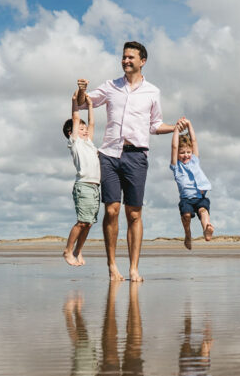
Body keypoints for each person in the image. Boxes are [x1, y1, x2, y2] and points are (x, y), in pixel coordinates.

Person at [78, 41, 182, 282]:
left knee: (134, 214)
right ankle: (112, 265)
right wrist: (83, 90)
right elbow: (85, 103)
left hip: (136, 156)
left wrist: (175, 127)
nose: (125, 60)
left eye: (130, 57)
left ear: (142, 61)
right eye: (123, 57)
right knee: (112, 210)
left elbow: (155, 125)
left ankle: (134, 267)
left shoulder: (152, 92)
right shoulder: (111, 86)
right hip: (109, 155)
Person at [62, 82, 99, 267]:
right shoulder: (75, 142)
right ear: (72, 133)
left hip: (95, 187)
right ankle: (68, 250)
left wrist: (91, 106)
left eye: (85, 129)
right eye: (81, 129)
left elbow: (91, 123)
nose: (85, 130)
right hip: (83, 185)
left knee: (89, 223)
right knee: (82, 222)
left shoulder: (89, 143)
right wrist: (75, 101)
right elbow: (76, 118)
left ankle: (78, 250)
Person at [170, 118, 215, 250]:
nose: (186, 155)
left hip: (200, 197)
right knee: (186, 215)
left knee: (204, 211)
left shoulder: (194, 161)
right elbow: (174, 146)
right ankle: (188, 234)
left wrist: (189, 125)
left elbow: (194, 141)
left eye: (188, 152)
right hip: (186, 200)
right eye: (182, 152)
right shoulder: (176, 167)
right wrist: (177, 130)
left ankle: (207, 228)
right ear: (178, 154)